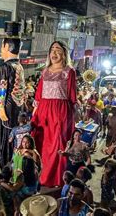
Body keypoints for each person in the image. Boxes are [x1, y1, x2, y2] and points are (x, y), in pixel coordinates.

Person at [31, 41, 76, 187]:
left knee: (58, 145)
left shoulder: (69, 71)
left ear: (64, 54)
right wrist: (34, 114)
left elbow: (72, 97)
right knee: (41, 143)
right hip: (43, 111)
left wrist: (71, 116)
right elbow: (38, 96)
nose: (54, 53)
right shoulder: (44, 71)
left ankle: (57, 179)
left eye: (58, 50)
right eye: (52, 50)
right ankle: (40, 176)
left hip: (60, 112)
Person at [0, 23, 26, 170]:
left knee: (6, 136)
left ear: (7, 47)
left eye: (2, 47)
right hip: (17, 106)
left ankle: (6, 165)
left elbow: (3, 88)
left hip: (7, 105)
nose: (1, 50)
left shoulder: (6, 66)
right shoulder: (19, 66)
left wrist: (0, 107)